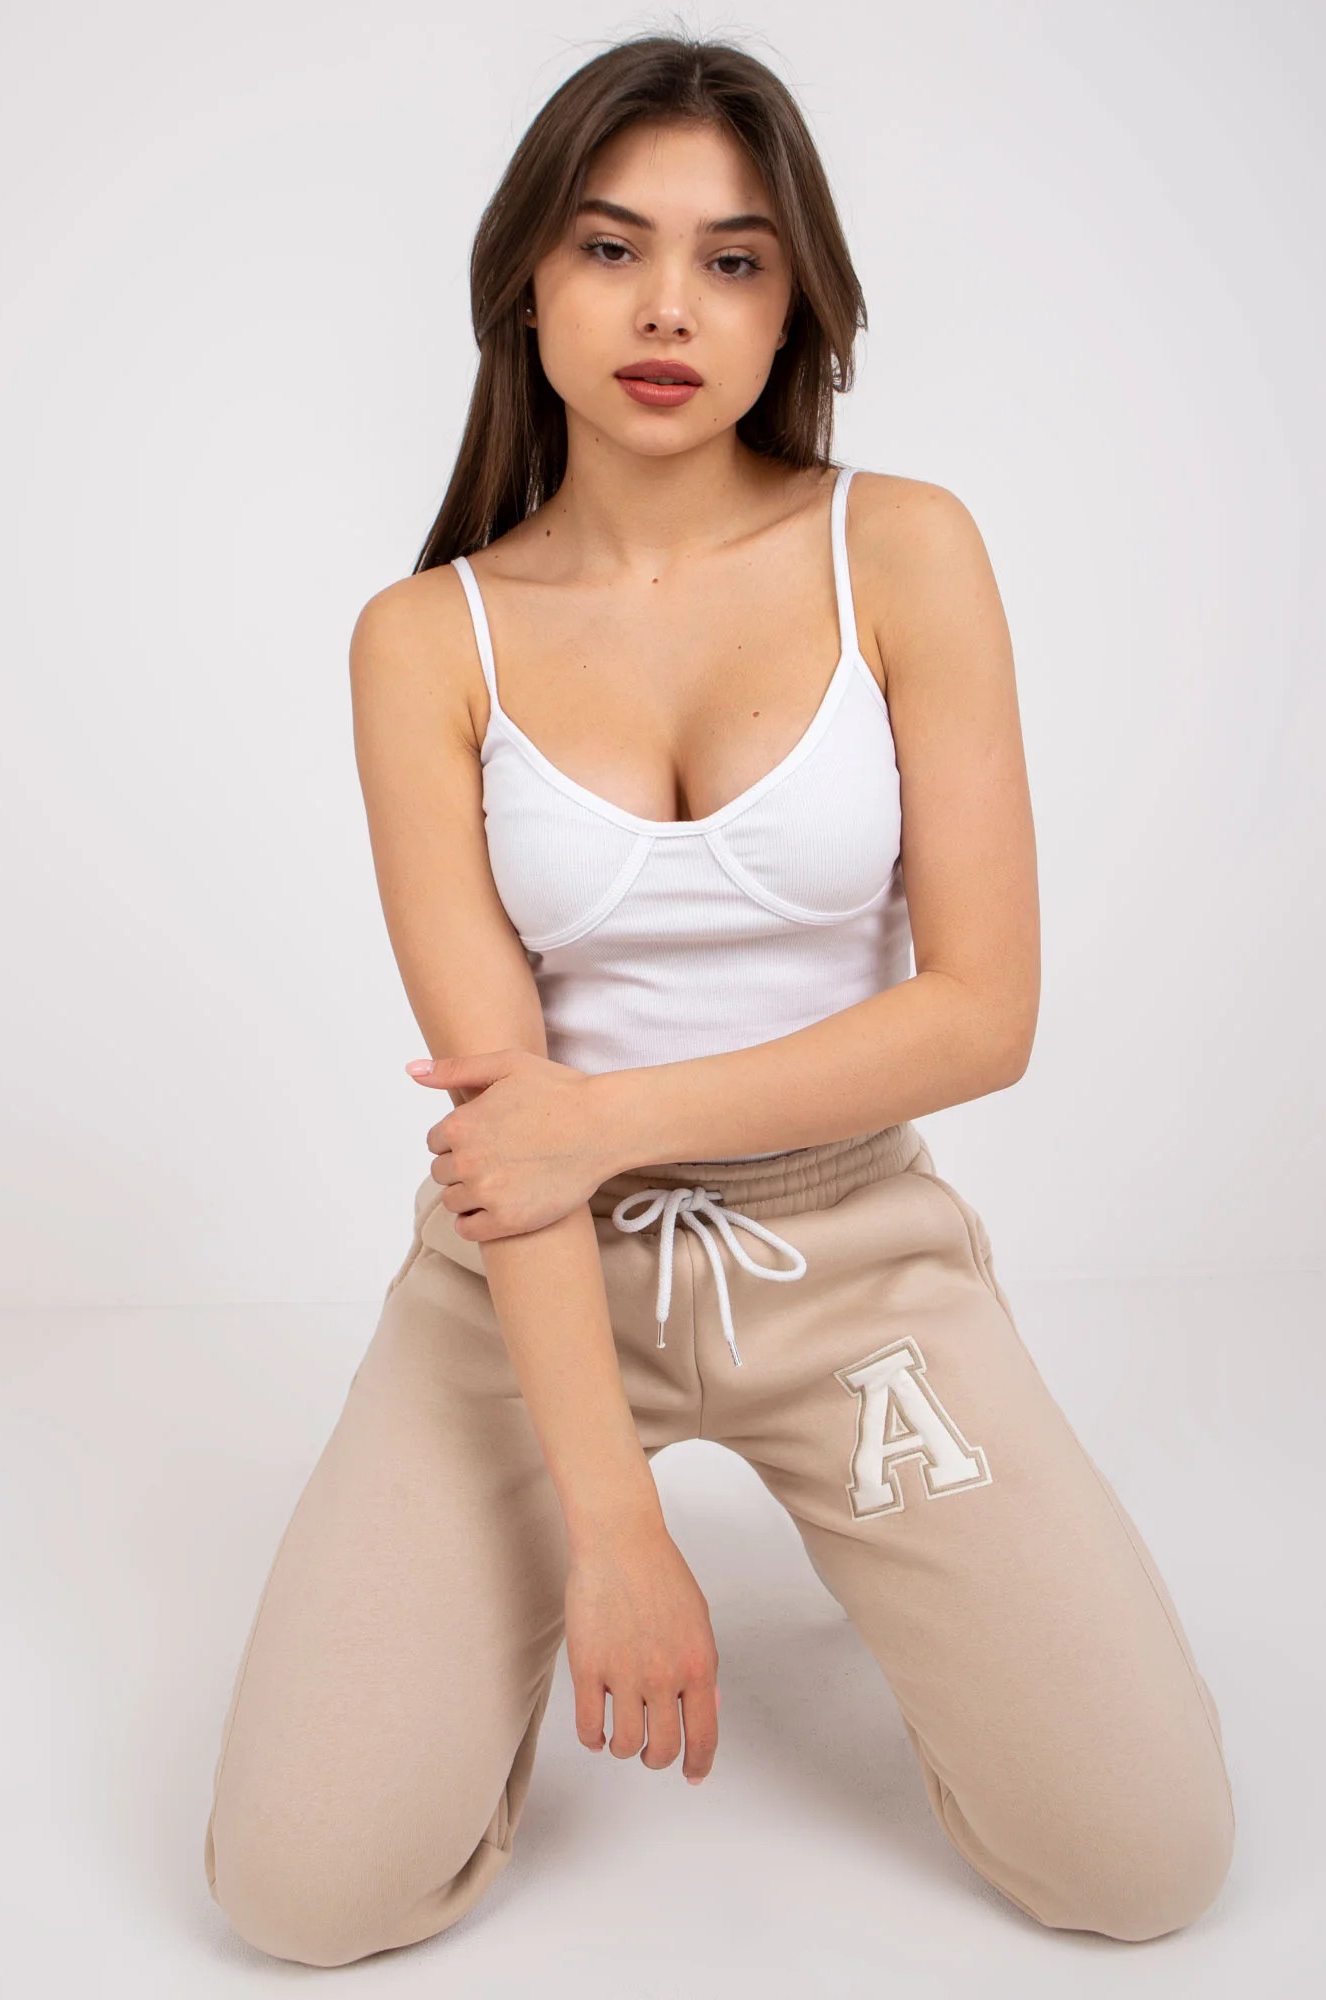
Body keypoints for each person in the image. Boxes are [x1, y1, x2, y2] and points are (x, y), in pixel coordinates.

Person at [202, 32, 1234, 1967]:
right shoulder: (425, 640)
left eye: (734, 259)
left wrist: (607, 1118)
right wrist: (611, 1532)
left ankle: (900, 1564)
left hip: (849, 1256)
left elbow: (982, 1014)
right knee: (301, 1898)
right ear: (528, 281)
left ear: (792, 306)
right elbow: (507, 1131)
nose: (670, 306)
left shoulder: (900, 548)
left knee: (1145, 1866)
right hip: (523, 1277)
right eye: (613, 247)